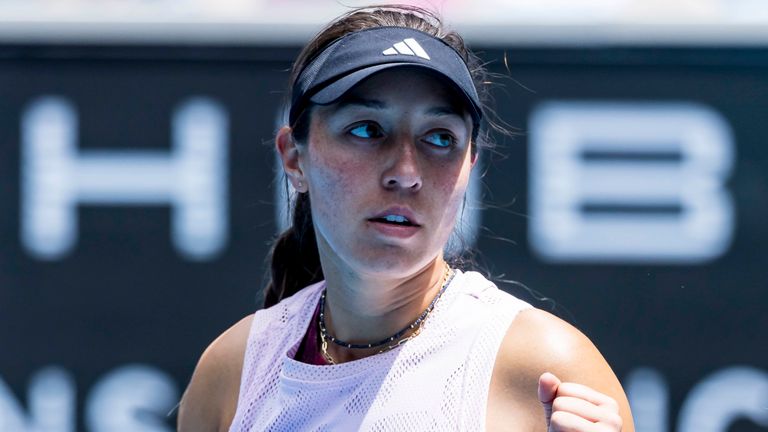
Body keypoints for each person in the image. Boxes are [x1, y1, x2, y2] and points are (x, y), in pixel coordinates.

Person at [178, 5, 634, 431]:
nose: (405, 173)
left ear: (469, 165)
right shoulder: (231, 371)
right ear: (294, 158)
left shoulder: (547, 367)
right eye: (366, 130)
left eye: (439, 138)